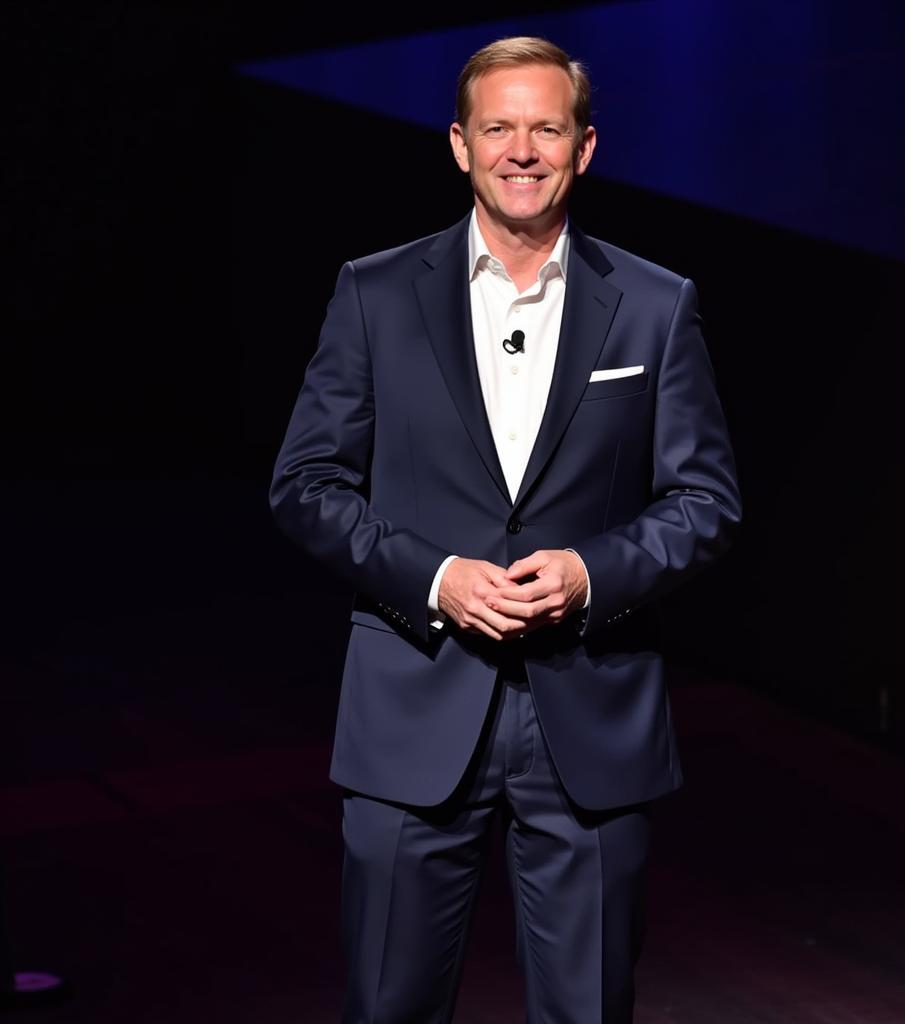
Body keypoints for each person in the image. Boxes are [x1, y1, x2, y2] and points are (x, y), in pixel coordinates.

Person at [270, 36, 741, 1024]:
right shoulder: (375, 292)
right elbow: (305, 483)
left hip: (589, 716)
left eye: (545, 128)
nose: (520, 149)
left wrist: (588, 570)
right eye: (497, 128)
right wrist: (437, 576)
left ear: (584, 148)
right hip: (411, 710)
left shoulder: (655, 307)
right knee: (389, 1007)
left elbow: (705, 501)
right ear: (458, 145)